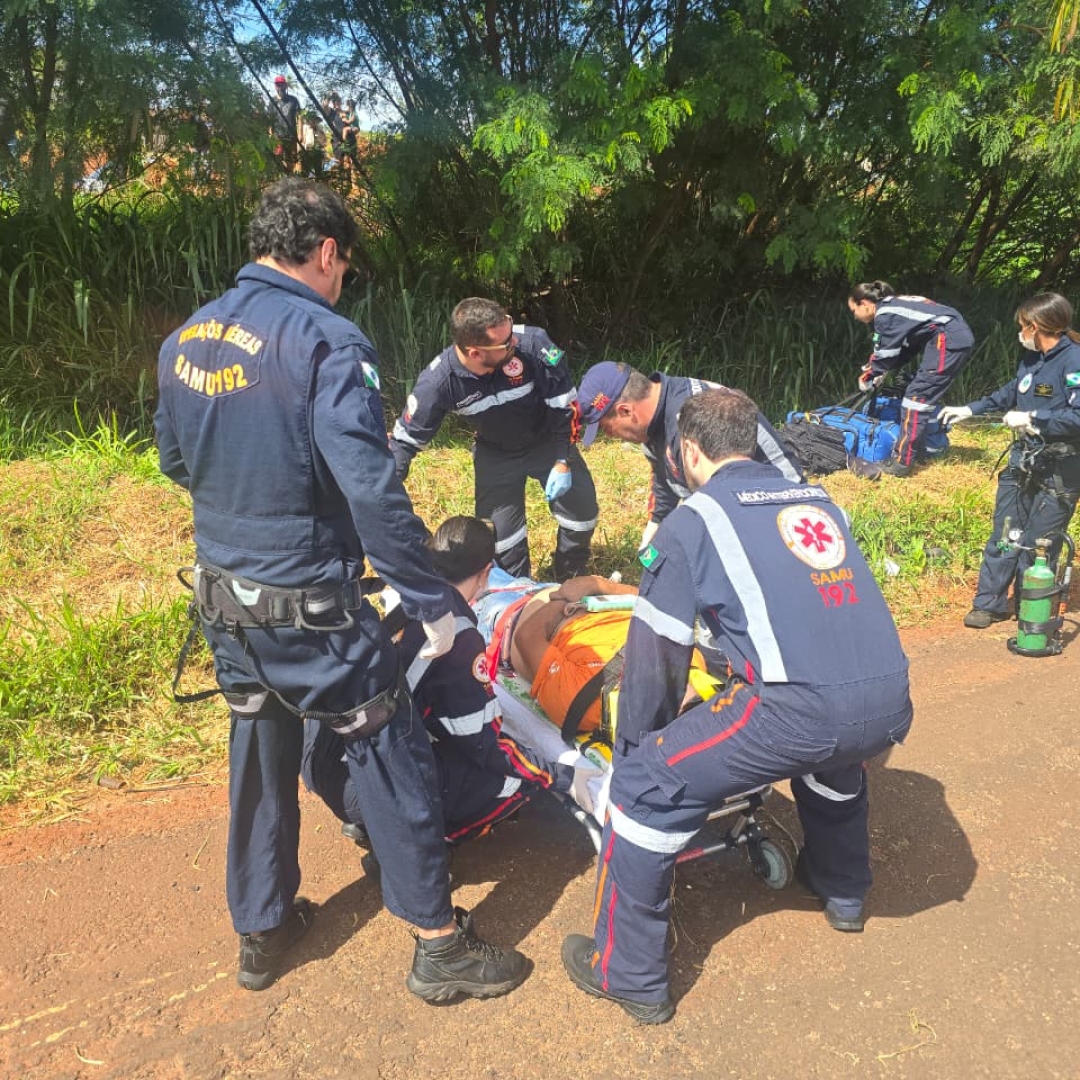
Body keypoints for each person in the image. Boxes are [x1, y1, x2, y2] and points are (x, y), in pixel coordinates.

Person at [154, 178, 527, 1002]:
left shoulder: (184, 337)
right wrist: (430, 603)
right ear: (326, 253)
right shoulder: (325, 340)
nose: (342, 280)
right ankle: (438, 945)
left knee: (258, 746)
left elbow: (174, 463)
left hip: (224, 602)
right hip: (312, 611)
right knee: (388, 748)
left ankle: (262, 929)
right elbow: (371, 489)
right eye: (344, 267)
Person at [561, 387, 913, 1024]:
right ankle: (843, 889)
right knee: (835, 755)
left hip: (797, 711)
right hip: (887, 699)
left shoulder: (694, 520)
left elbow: (656, 657)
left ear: (687, 451)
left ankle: (629, 974)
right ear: (750, 441)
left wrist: (642, 746)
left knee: (643, 785)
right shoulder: (816, 500)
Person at [302, 515, 599, 847]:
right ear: (487, 572)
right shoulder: (456, 634)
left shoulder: (413, 602)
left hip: (327, 760)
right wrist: (560, 776)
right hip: (365, 781)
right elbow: (485, 747)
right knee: (516, 782)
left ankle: (378, 823)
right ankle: (415, 843)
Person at [390, 297, 598, 579]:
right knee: (502, 541)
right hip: (496, 454)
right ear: (475, 353)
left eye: (510, 331)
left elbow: (565, 408)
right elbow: (404, 442)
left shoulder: (534, 345)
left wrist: (562, 460)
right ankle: (517, 590)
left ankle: (568, 572)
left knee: (582, 515)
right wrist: (381, 490)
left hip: (548, 440)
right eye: (504, 343)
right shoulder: (440, 382)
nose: (514, 342)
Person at [939, 292, 1080, 629]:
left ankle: (1032, 609)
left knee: (1039, 542)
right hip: (1024, 460)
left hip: (1061, 467)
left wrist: (1035, 417)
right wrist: (970, 409)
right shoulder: (1033, 359)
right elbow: (1011, 391)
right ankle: (989, 603)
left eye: (1022, 326)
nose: (1020, 333)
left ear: (1035, 326)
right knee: (1006, 533)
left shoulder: (1074, 361)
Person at [575, 361, 803, 553]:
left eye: (607, 428)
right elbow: (665, 478)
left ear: (626, 411)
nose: (611, 436)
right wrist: (653, 532)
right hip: (733, 506)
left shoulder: (693, 421)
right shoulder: (653, 424)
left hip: (777, 512)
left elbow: (720, 506)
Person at [848, 281, 975, 477]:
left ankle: (901, 463)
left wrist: (869, 374)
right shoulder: (894, 307)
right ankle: (928, 449)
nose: (855, 316)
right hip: (950, 335)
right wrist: (882, 371)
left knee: (917, 398)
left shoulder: (884, 314)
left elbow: (886, 354)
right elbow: (906, 348)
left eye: (854, 310)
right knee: (923, 396)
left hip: (948, 338)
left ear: (865, 303)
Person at [269, 75, 301, 173]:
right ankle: (282, 177)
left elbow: (299, 116)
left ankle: (289, 177)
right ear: (275, 86)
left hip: (291, 135)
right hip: (277, 136)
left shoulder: (293, 100)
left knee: (291, 161)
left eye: (282, 84)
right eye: (278, 85)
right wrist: (270, 133)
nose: (280, 87)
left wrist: (300, 133)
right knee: (277, 159)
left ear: (286, 86)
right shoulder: (272, 101)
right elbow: (270, 119)